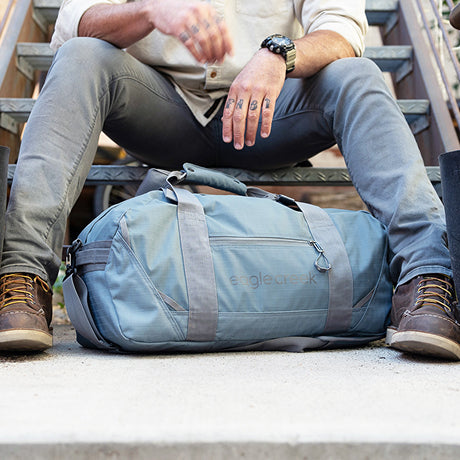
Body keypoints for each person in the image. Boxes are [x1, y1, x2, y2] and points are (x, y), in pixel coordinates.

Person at [0, 0, 458, 360]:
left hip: (269, 113)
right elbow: (75, 21)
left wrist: (281, 53)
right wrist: (148, 10)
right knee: (82, 54)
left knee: (355, 73)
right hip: (157, 107)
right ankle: (22, 277)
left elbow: (343, 30)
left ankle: (427, 280)